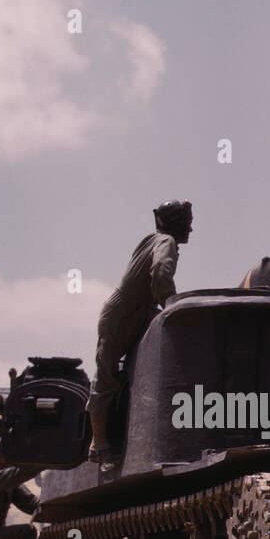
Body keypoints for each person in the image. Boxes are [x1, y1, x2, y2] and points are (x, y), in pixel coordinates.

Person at [86, 200, 193, 467]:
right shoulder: (165, 241)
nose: (192, 228)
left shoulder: (155, 239)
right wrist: (171, 304)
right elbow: (159, 272)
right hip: (124, 313)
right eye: (187, 221)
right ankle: (99, 445)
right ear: (176, 222)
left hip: (137, 311)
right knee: (107, 375)